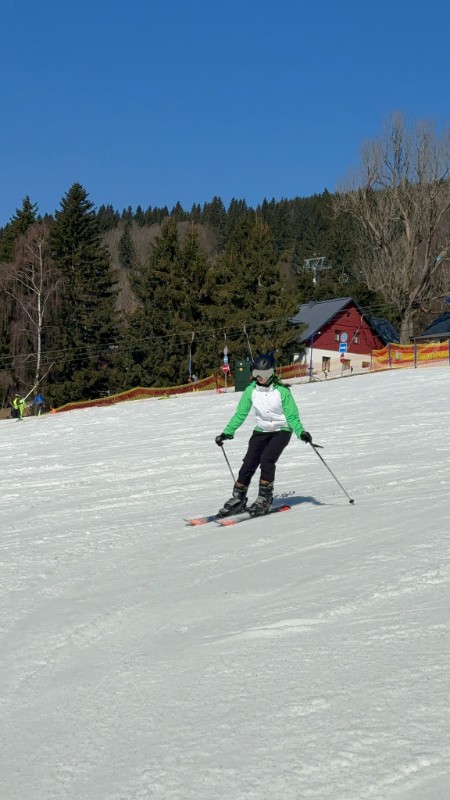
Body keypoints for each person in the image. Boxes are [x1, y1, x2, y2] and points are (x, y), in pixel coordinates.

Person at [215, 353, 313, 517]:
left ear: (272, 373)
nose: (259, 377)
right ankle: (238, 499)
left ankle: (264, 499)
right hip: (261, 431)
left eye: (264, 374)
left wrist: (301, 432)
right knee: (249, 462)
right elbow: (240, 414)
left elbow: (292, 417)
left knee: (267, 459)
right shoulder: (250, 391)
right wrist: (227, 432)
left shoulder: (282, 392)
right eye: (256, 373)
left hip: (281, 430)